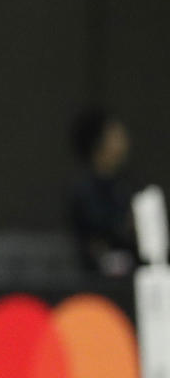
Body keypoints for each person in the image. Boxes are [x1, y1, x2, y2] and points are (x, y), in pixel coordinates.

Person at [67, 107, 140, 276]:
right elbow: (98, 233)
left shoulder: (127, 185)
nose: (123, 138)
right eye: (114, 134)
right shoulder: (82, 190)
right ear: (98, 142)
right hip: (96, 280)